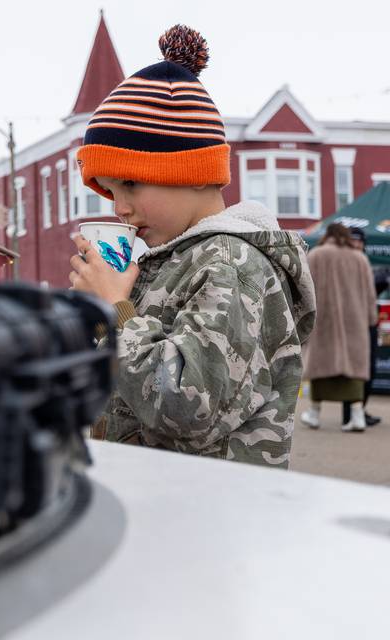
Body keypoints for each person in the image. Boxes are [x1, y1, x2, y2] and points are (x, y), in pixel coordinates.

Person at [67, 24, 316, 468]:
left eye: (130, 184)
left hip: (210, 516)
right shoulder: (169, 259)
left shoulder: (233, 262)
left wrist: (116, 312)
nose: (119, 207)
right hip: (162, 504)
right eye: (107, 191)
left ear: (195, 171)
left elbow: (186, 408)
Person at [300, 224, 377, 432]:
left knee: (319, 366)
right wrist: (371, 319)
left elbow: (304, 289)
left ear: (328, 235)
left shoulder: (316, 255)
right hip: (355, 322)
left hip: (324, 321)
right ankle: (357, 415)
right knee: (354, 368)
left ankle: (314, 413)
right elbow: (370, 295)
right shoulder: (359, 259)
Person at [342, 227, 381, 427]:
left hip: (368, 322)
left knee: (369, 369)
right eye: (353, 240)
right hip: (349, 324)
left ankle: (360, 411)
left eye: (359, 241)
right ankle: (350, 414)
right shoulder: (343, 261)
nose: (357, 244)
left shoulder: (364, 262)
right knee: (352, 369)